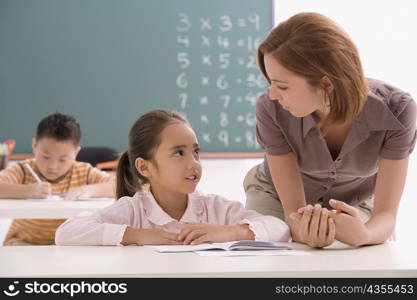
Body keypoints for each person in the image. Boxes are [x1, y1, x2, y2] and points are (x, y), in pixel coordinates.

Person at [244, 12, 416, 248]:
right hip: (277, 198)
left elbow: (386, 216)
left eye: (282, 85)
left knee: (363, 252)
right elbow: (292, 213)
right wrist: (303, 231)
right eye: (270, 83)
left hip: (355, 203)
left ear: (326, 84)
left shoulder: (398, 111)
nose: (273, 94)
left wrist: (364, 235)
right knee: (272, 248)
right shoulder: (270, 108)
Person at [55, 109, 290, 246]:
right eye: (179, 153)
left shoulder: (215, 208)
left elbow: (279, 228)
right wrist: (138, 236)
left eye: (195, 152)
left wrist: (230, 232)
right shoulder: (133, 210)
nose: (193, 163)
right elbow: (66, 233)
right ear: (144, 167)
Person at [0, 113, 115, 245]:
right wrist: (25, 191)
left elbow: (119, 185)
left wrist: (89, 190)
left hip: (68, 245)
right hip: (24, 242)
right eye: (46, 157)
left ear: (76, 153)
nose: (52, 167)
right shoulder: (23, 170)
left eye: (62, 159)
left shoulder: (84, 172)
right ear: (35, 145)